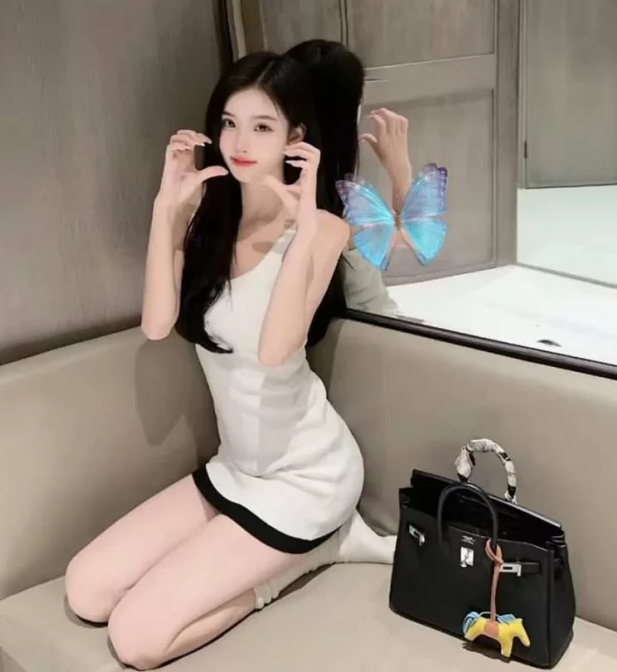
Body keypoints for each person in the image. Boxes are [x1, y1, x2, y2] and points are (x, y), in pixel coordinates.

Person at [65, 52, 395, 670]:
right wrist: (166, 211)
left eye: (263, 127)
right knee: (86, 590)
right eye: (229, 123)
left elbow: (274, 352)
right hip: (237, 468)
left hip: (307, 479)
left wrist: (301, 226)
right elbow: (158, 324)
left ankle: (319, 547)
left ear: (296, 138)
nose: (240, 143)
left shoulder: (325, 231)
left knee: (136, 638)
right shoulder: (207, 224)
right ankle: (296, 549)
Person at [286, 39, 414, 318]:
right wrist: (400, 169)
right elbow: (412, 238)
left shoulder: (270, 186)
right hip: (371, 328)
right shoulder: (341, 208)